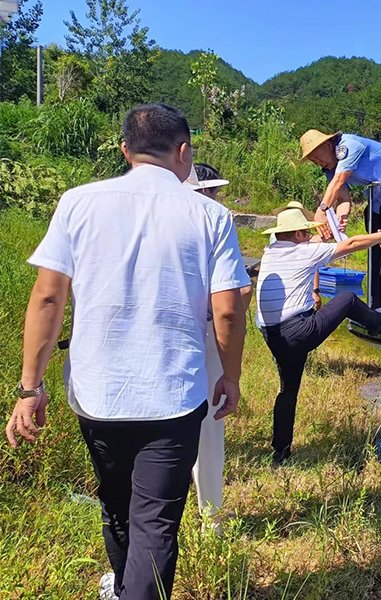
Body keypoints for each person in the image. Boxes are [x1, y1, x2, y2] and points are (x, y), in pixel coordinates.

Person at [5, 104, 250, 600]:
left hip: (98, 394)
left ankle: (121, 588)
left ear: (124, 150)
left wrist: (30, 387)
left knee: (116, 507)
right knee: (156, 522)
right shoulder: (210, 216)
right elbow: (226, 310)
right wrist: (230, 376)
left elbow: (48, 298)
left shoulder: (77, 203)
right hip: (174, 396)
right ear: (184, 152)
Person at [256, 206, 381, 466]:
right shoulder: (304, 252)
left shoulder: (270, 252)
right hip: (297, 331)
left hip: (271, 335)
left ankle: (280, 453)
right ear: (299, 234)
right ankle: (378, 324)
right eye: (306, 233)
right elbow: (353, 243)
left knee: (287, 391)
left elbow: (311, 244)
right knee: (346, 299)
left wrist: (324, 234)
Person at [183, 164, 254, 525]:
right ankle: (210, 516)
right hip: (206, 333)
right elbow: (235, 295)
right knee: (209, 430)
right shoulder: (214, 219)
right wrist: (232, 372)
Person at [298, 129, 381, 316]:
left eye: (318, 157)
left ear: (328, 145)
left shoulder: (348, 146)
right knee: (374, 246)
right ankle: (376, 302)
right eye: (313, 161)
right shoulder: (329, 168)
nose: (319, 163)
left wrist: (322, 210)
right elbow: (343, 198)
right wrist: (341, 219)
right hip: (377, 198)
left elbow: (338, 181)